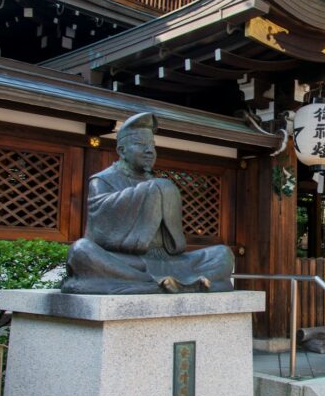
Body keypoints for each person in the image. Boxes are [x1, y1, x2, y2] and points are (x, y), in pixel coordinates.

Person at [62, 112, 234, 294]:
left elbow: (175, 244)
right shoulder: (103, 181)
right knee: (80, 251)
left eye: (152, 146)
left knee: (222, 254)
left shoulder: (159, 183)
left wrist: (158, 190)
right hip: (128, 261)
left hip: (165, 261)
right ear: (122, 150)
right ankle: (157, 283)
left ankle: (171, 283)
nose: (149, 151)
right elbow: (100, 234)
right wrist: (150, 192)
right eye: (140, 145)